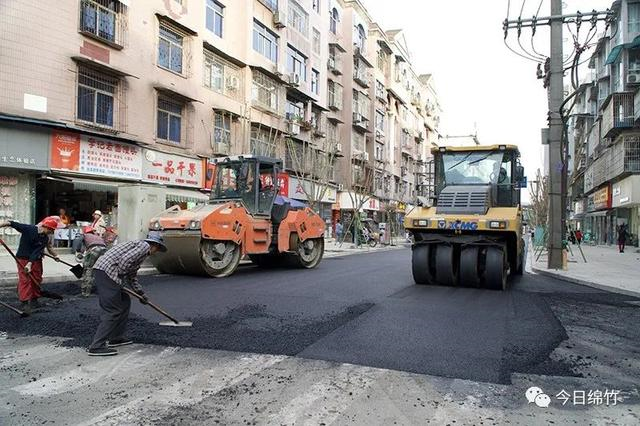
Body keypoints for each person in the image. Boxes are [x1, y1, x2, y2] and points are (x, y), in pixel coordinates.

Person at [87, 232, 167, 356]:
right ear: (154, 246)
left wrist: (140, 293)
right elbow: (125, 261)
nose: (156, 252)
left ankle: (116, 337)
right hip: (106, 273)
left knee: (124, 301)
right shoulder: (144, 246)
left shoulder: (140, 253)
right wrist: (121, 275)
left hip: (109, 274)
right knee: (113, 309)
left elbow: (132, 275)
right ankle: (97, 346)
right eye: (158, 249)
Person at [0, 217, 60, 314]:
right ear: (46, 227)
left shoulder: (44, 238)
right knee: (25, 279)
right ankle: (24, 302)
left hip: (35, 259)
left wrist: (30, 263)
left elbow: (36, 252)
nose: (52, 232)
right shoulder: (28, 229)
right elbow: (10, 223)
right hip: (22, 258)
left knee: (36, 278)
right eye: (51, 230)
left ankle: (34, 299)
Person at [73, 226, 107, 297]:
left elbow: (78, 242)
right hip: (104, 250)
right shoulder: (97, 236)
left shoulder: (85, 235)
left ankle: (85, 292)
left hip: (94, 249)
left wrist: (78, 251)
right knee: (101, 270)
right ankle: (105, 290)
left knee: (88, 270)